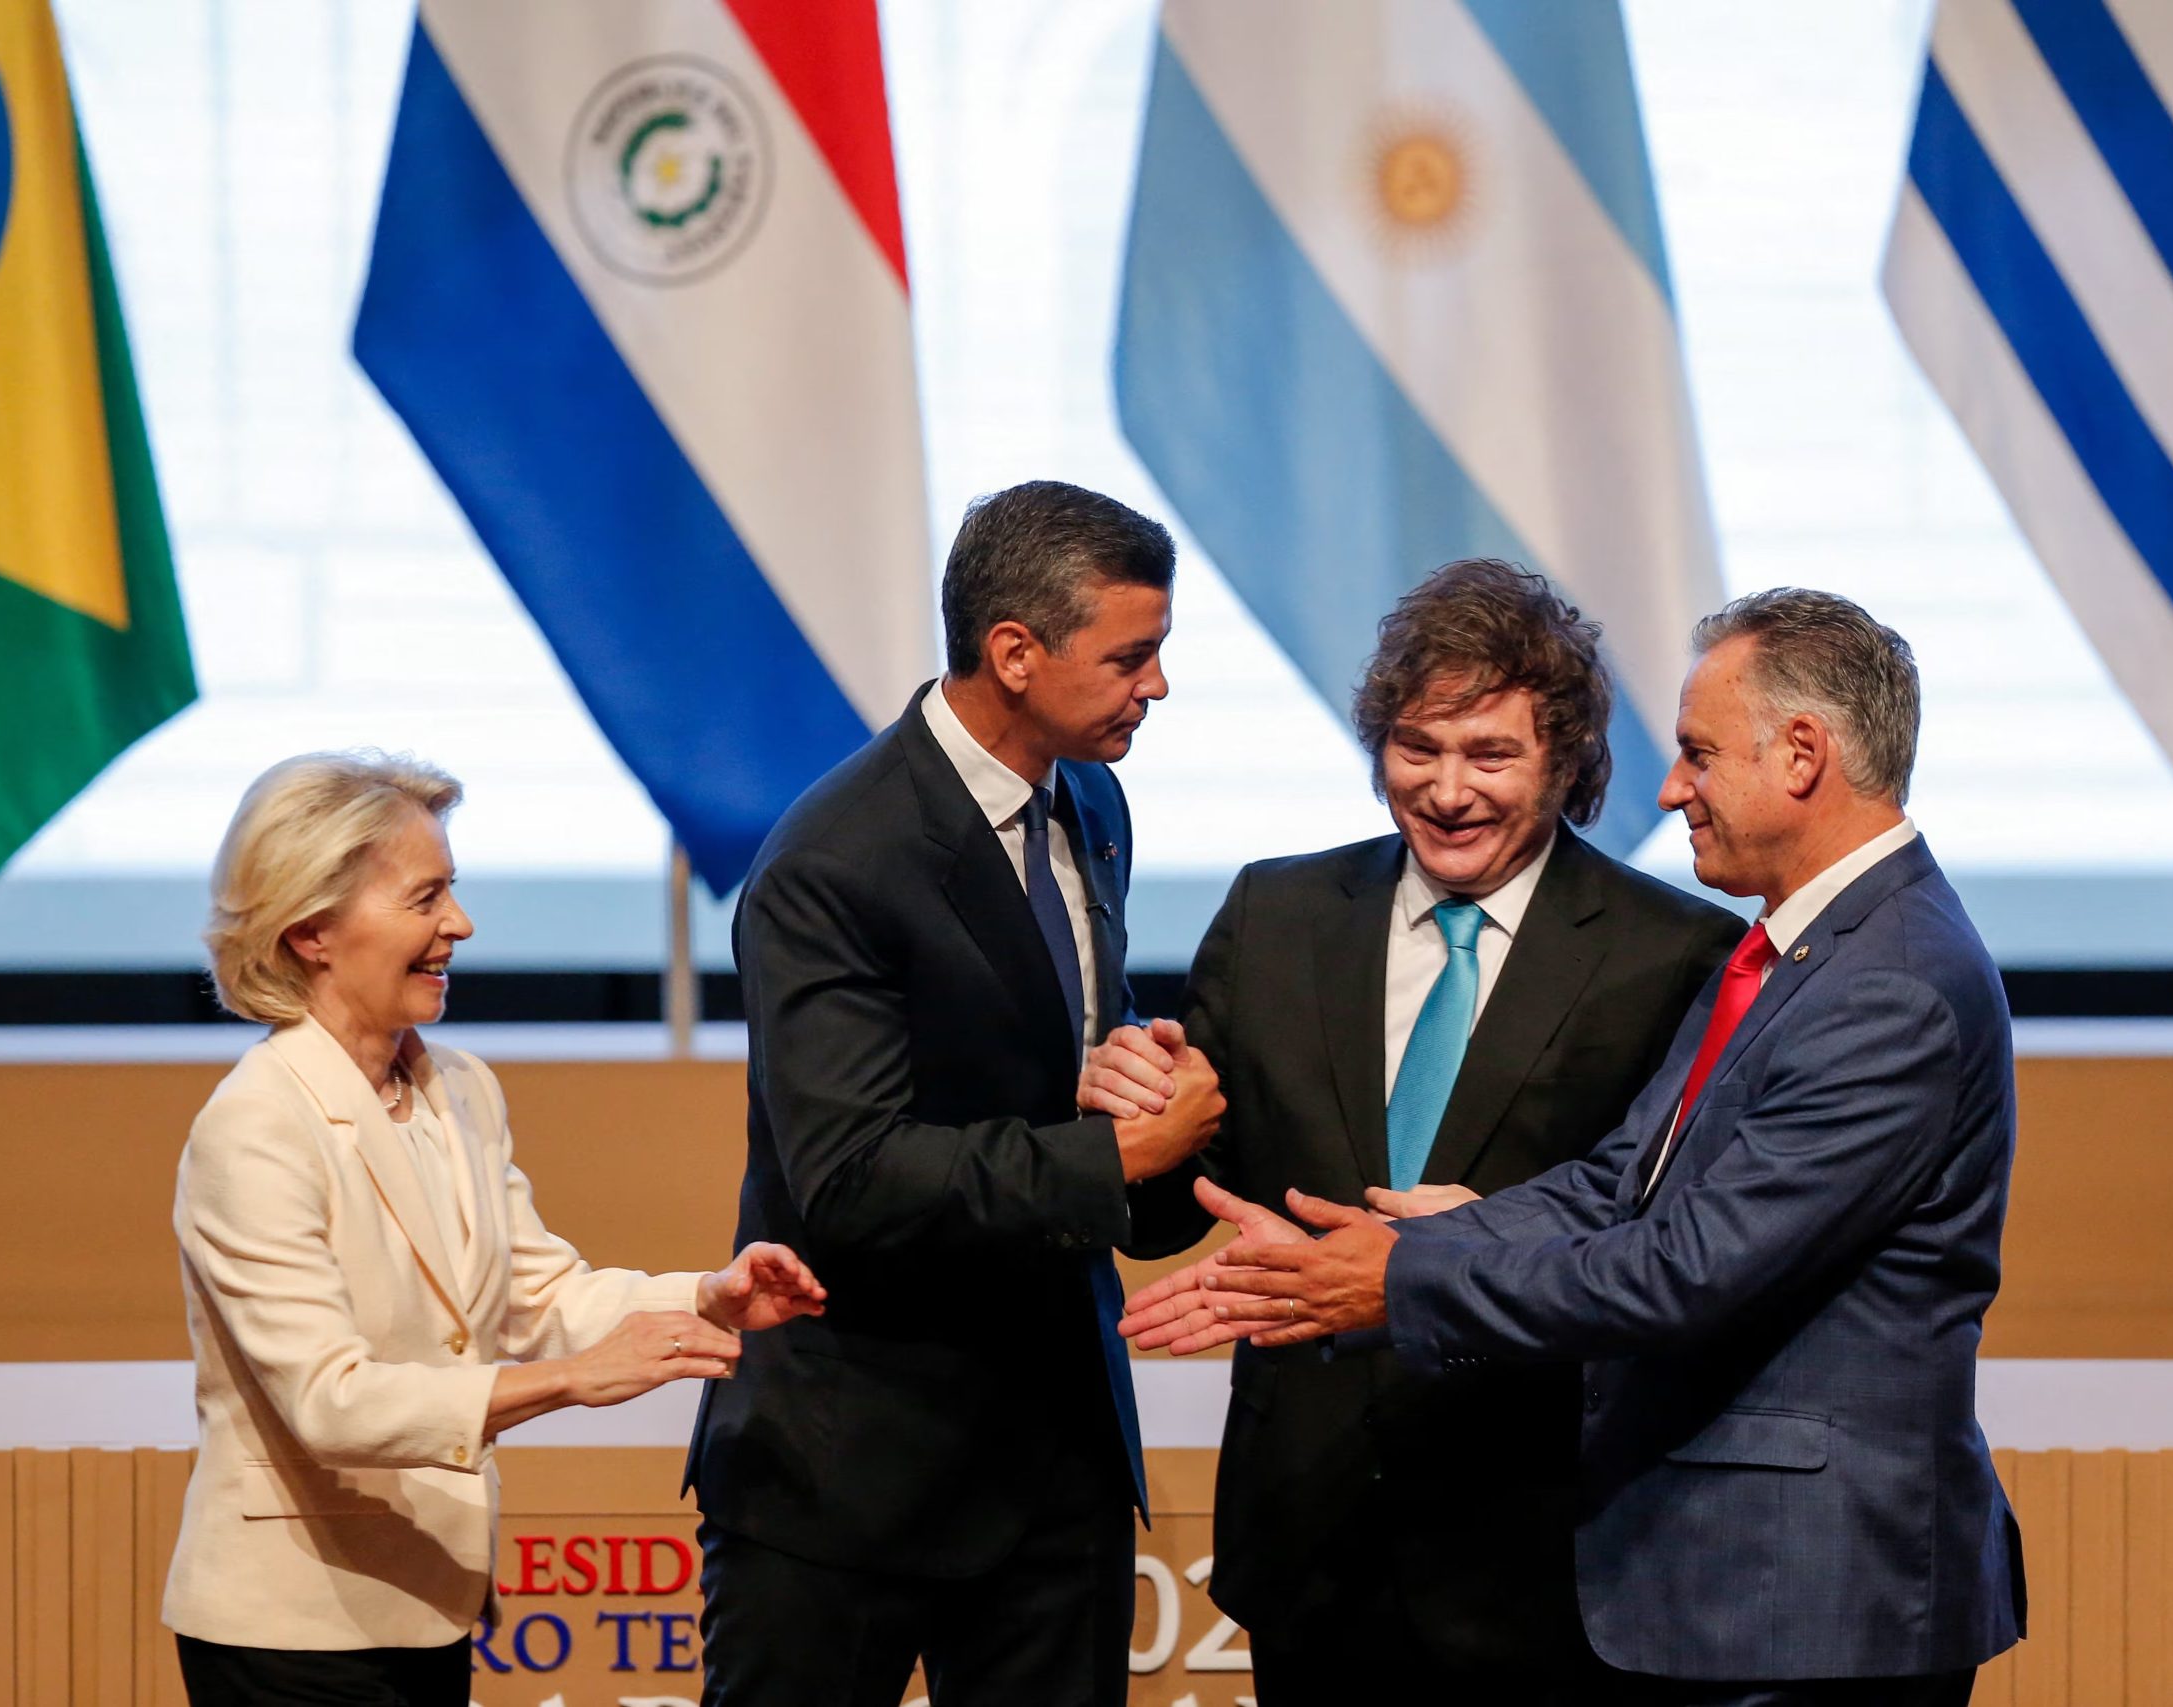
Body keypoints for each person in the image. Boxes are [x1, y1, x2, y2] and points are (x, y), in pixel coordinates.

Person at [1131, 589, 2027, 1704]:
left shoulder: (1886, 985)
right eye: (1419, 745)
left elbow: (1684, 1268)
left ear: (1801, 754)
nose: (1671, 787)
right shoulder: (1801, 957)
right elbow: (1621, 1181)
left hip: (1797, 1597)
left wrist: (1401, 1276)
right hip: (1668, 1587)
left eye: (1698, 754)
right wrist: (1424, 1235)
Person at [1080, 559, 1741, 1705]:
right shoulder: (1275, 916)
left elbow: (1667, 1251)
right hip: (1310, 1540)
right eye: (1416, 749)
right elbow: (1162, 1211)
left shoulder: (1669, 952)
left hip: (1548, 1549)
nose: (1446, 791)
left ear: (1568, 762)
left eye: (1490, 755)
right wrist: (1137, 1119)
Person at [685, 480, 1225, 1707]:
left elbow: (1055, 1048)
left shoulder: (1090, 799)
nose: (1156, 687)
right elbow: (853, 1176)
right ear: (1015, 654)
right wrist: (1116, 1162)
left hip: (1052, 1472)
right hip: (848, 1480)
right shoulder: (833, 864)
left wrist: (1136, 1078)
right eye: (1131, 657)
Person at [164, 751, 826, 1707]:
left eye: (454, 892)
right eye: (425, 897)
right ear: (311, 928)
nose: (459, 926)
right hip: (292, 1635)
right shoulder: (257, 1123)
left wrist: (704, 1297)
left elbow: (538, 1291)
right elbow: (329, 1402)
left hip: (429, 1599)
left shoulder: (459, 1085)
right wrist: (567, 1382)